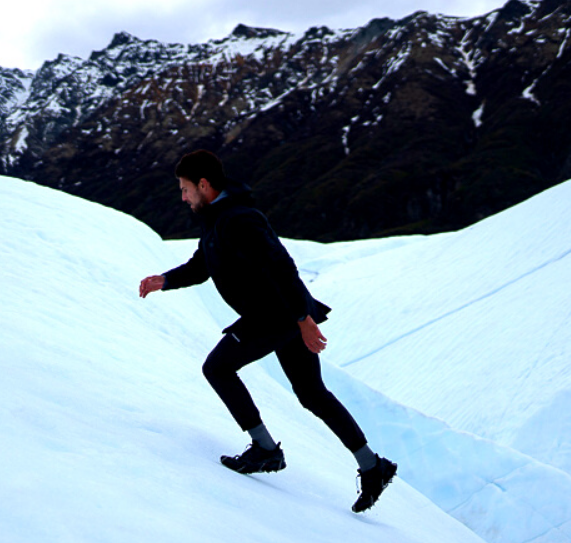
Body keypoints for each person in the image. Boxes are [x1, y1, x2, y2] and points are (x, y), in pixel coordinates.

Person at [139, 150, 397, 513]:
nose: (182, 197)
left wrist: (303, 320)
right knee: (312, 393)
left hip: (276, 317)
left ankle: (265, 449)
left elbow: (282, 268)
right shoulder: (215, 218)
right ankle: (372, 466)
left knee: (218, 368)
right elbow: (202, 265)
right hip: (282, 315)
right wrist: (165, 280)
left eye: (184, 189)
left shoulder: (240, 219)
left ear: (203, 184)